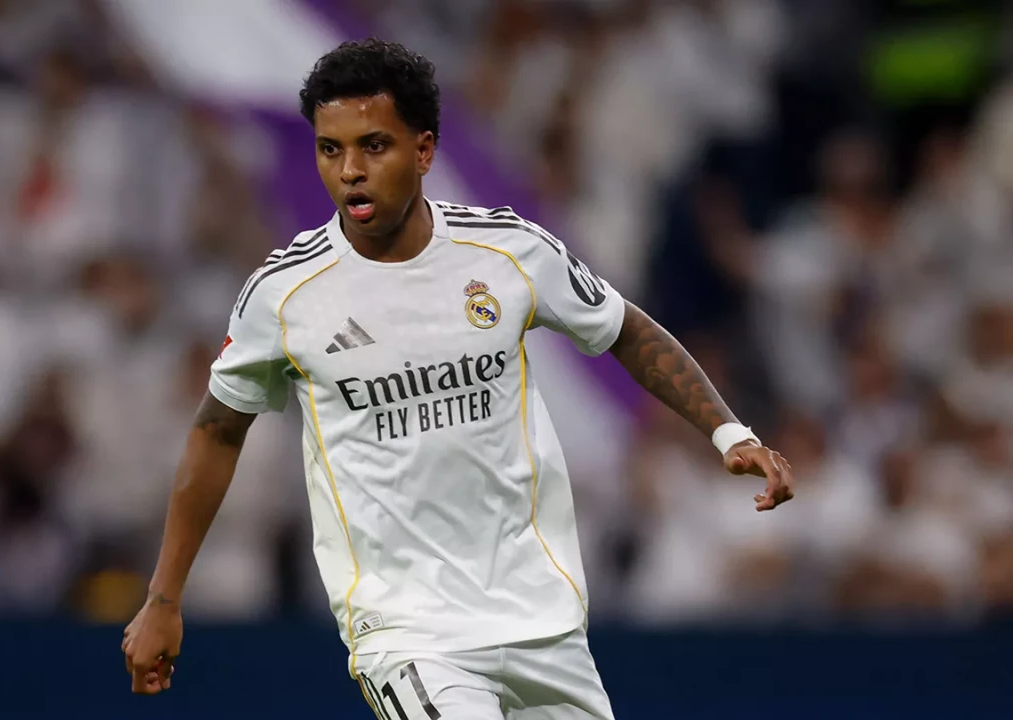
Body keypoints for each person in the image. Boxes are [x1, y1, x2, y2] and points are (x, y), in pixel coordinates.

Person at [122, 39, 794, 719]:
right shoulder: (284, 293)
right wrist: (163, 599)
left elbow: (624, 328)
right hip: (407, 632)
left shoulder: (508, 251)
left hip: (541, 621)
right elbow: (217, 430)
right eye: (331, 149)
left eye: (374, 146)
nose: (350, 171)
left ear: (423, 150)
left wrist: (728, 432)